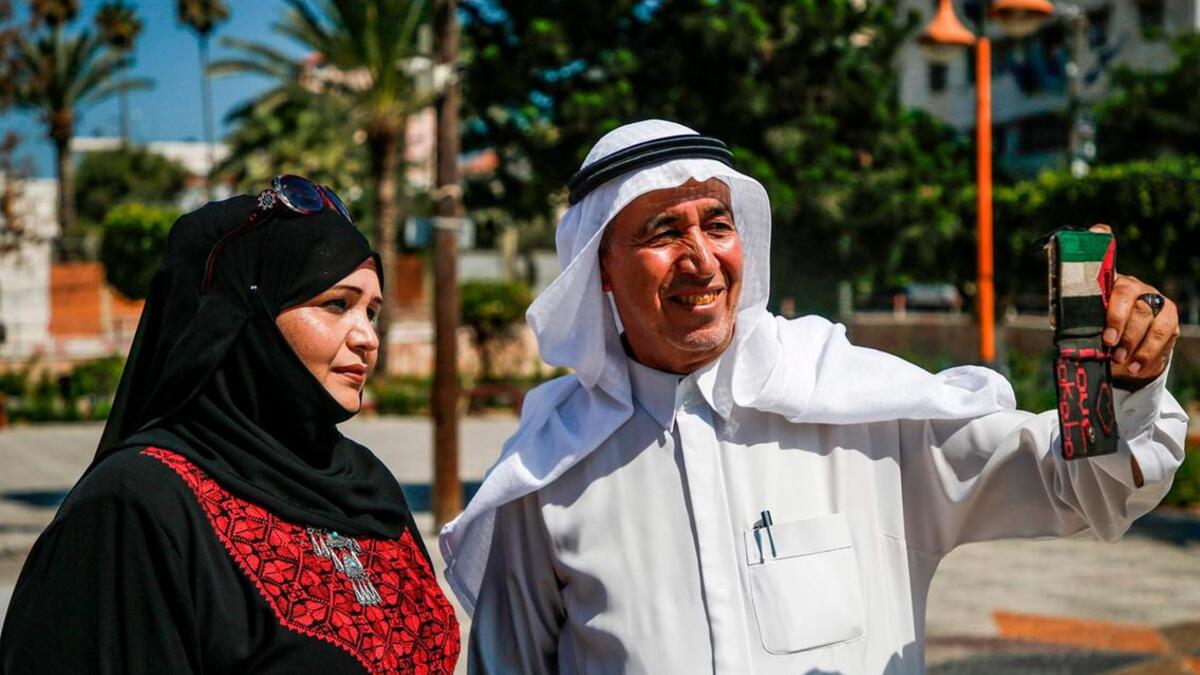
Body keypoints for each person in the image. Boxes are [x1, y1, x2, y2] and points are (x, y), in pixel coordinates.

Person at [440, 120, 1188, 674]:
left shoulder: (859, 408)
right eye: (663, 232)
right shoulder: (550, 473)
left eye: (717, 224)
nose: (701, 259)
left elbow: (1083, 486)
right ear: (600, 267)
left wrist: (1120, 383)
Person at [0, 178, 460, 674]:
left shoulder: (367, 486)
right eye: (336, 304)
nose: (367, 337)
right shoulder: (137, 504)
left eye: (372, 312)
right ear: (246, 315)